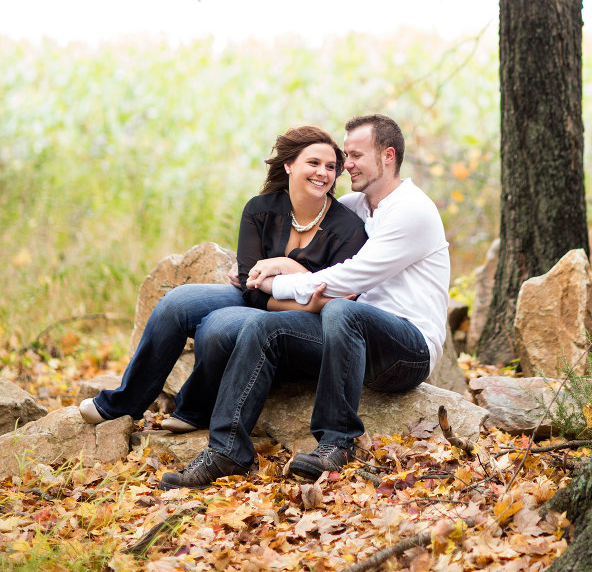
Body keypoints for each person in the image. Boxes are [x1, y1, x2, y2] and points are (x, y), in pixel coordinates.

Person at [158, 113, 450, 490]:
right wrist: (263, 266)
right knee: (263, 328)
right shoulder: (356, 206)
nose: (346, 165)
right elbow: (309, 246)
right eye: (345, 155)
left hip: (407, 350)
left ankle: (336, 443)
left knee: (344, 309)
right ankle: (227, 450)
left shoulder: (412, 210)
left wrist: (271, 285)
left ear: (388, 156)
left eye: (356, 156)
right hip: (348, 337)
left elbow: (348, 277)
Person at [79, 126, 367, 431]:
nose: (323, 172)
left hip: (306, 323)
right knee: (178, 302)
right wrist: (293, 293)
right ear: (289, 165)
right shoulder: (260, 210)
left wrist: (287, 272)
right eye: (313, 163)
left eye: (331, 167)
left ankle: (194, 410)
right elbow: (248, 285)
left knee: (217, 326)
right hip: (264, 300)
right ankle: (124, 403)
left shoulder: (348, 228)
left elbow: (333, 299)